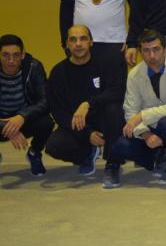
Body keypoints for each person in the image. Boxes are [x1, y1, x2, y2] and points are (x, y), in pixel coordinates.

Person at [45, 25, 127, 188]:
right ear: (67, 44)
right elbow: (58, 111)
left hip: (104, 119)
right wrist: (87, 134)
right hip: (79, 125)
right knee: (54, 145)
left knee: (114, 110)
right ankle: (87, 154)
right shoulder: (58, 72)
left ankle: (113, 164)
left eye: (83, 39)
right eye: (73, 40)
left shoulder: (105, 63)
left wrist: (88, 103)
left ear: (91, 42)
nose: (78, 44)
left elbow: (117, 91)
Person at [112, 29, 166, 184]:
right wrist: (145, 134)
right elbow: (130, 111)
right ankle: (157, 158)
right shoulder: (134, 75)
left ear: (165, 50)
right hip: (151, 129)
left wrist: (143, 115)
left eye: (156, 49)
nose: (152, 55)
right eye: (146, 51)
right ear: (140, 52)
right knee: (121, 145)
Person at [0, 34, 53, 176]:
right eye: (5, 55)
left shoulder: (33, 67)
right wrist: (6, 126)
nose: (11, 61)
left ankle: (34, 153)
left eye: (16, 55)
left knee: (46, 122)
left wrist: (22, 116)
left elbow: (46, 101)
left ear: (22, 55)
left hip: (24, 119)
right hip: (1, 120)